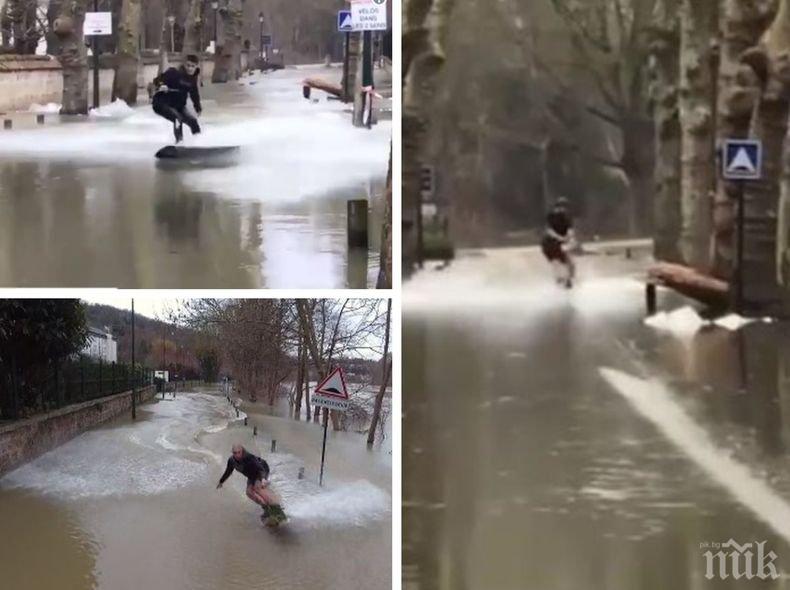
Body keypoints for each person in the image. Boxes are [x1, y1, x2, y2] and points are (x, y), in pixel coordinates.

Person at [216, 444, 287, 526]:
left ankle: (277, 510)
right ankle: (266, 509)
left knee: (257, 488)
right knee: (249, 493)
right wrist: (221, 482)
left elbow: (260, 469)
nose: (237, 455)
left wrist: (263, 479)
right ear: (232, 453)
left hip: (261, 470)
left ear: (242, 451)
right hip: (251, 475)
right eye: (235, 453)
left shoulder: (249, 458)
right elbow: (228, 472)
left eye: (239, 452)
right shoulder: (231, 461)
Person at [152, 55, 202, 144]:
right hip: (161, 104)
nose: (190, 68)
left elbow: (194, 94)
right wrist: (161, 85)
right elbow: (157, 80)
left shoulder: (193, 79)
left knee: (193, 121)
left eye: (192, 66)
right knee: (177, 119)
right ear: (184, 65)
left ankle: (199, 141)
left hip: (178, 106)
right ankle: (179, 142)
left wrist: (198, 108)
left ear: (196, 67)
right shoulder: (174, 73)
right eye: (188, 65)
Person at [541, 197, 577, 288]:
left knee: (570, 263)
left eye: (564, 207)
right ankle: (561, 280)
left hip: (559, 244)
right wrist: (561, 238)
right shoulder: (551, 216)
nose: (562, 209)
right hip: (549, 244)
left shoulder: (567, 218)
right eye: (560, 207)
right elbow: (549, 231)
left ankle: (568, 280)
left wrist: (570, 240)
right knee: (556, 262)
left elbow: (570, 231)